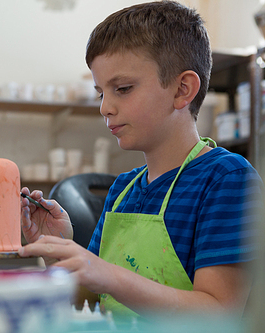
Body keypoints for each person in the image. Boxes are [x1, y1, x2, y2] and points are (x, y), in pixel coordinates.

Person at [18, 0, 263, 318]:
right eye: (101, 93)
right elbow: (92, 300)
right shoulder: (122, 191)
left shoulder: (226, 179)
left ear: (181, 90)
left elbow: (219, 314)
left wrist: (110, 275)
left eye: (122, 88)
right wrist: (58, 253)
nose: (105, 107)